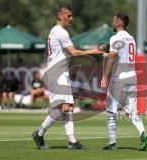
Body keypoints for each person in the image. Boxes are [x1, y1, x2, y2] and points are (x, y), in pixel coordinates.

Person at [32, 5, 105, 150]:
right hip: (56, 73)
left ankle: (72, 141)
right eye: (69, 15)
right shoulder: (61, 32)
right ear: (60, 16)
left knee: (69, 107)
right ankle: (39, 133)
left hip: (60, 73)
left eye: (71, 16)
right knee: (64, 107)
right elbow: (73, 52)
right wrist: (95, 51)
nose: (71, 19)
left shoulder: (56, 31)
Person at [101, 12, 147, 151]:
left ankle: (112, 143)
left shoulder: (115, 37)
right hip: (132, 77)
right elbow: (120, 55)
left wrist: (105, 76)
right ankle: (143, 133)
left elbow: (113, 58)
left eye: (113, 21)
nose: (111, 23)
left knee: (111, 111)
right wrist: (108, 54)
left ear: (118, 23)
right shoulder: (131, 38)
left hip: (119, 78)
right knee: (131, 112)